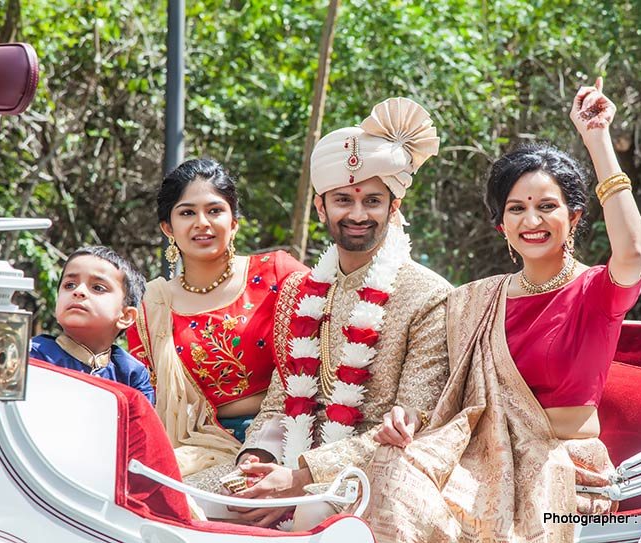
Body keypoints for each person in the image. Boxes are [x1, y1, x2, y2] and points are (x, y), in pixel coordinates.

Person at [366, 77, 641, 542]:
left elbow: (633, 252)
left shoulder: (596, 292)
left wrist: (597, 138)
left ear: (574, 216)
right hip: (477, 458)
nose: (531, 221)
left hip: (561, 462)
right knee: (393, 470)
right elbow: (442, 389)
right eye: (516, 208)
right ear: (501, 225)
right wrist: (408, 416)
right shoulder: (475, 300)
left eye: (547, 206)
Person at [187, 97, 453, 531]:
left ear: (394, 207)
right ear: (321, 206)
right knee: (189, 501)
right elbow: (279, 397)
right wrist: (259, 463)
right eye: (344, 199)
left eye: (372, 200)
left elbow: (411, 425)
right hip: (287, 458)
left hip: (368, 471)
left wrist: (300, 478)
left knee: (313, 519)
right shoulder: (298, 290)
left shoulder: (429, 295)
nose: (358, 213)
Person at [126, 158, 308, 477]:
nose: (202, 223)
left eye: (214, 210)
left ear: (234, 221)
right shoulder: (151, 308)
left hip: (283, 433)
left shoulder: (277, 273)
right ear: (168, 228)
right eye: (187, 213)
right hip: (197, 446)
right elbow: (147, 399)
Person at [31, 246, 154, 404]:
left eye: (97, 288)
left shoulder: (132, 375)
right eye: (69, 285)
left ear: (125, 316)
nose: (78, 291)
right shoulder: (33, 356)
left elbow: (141, 426)